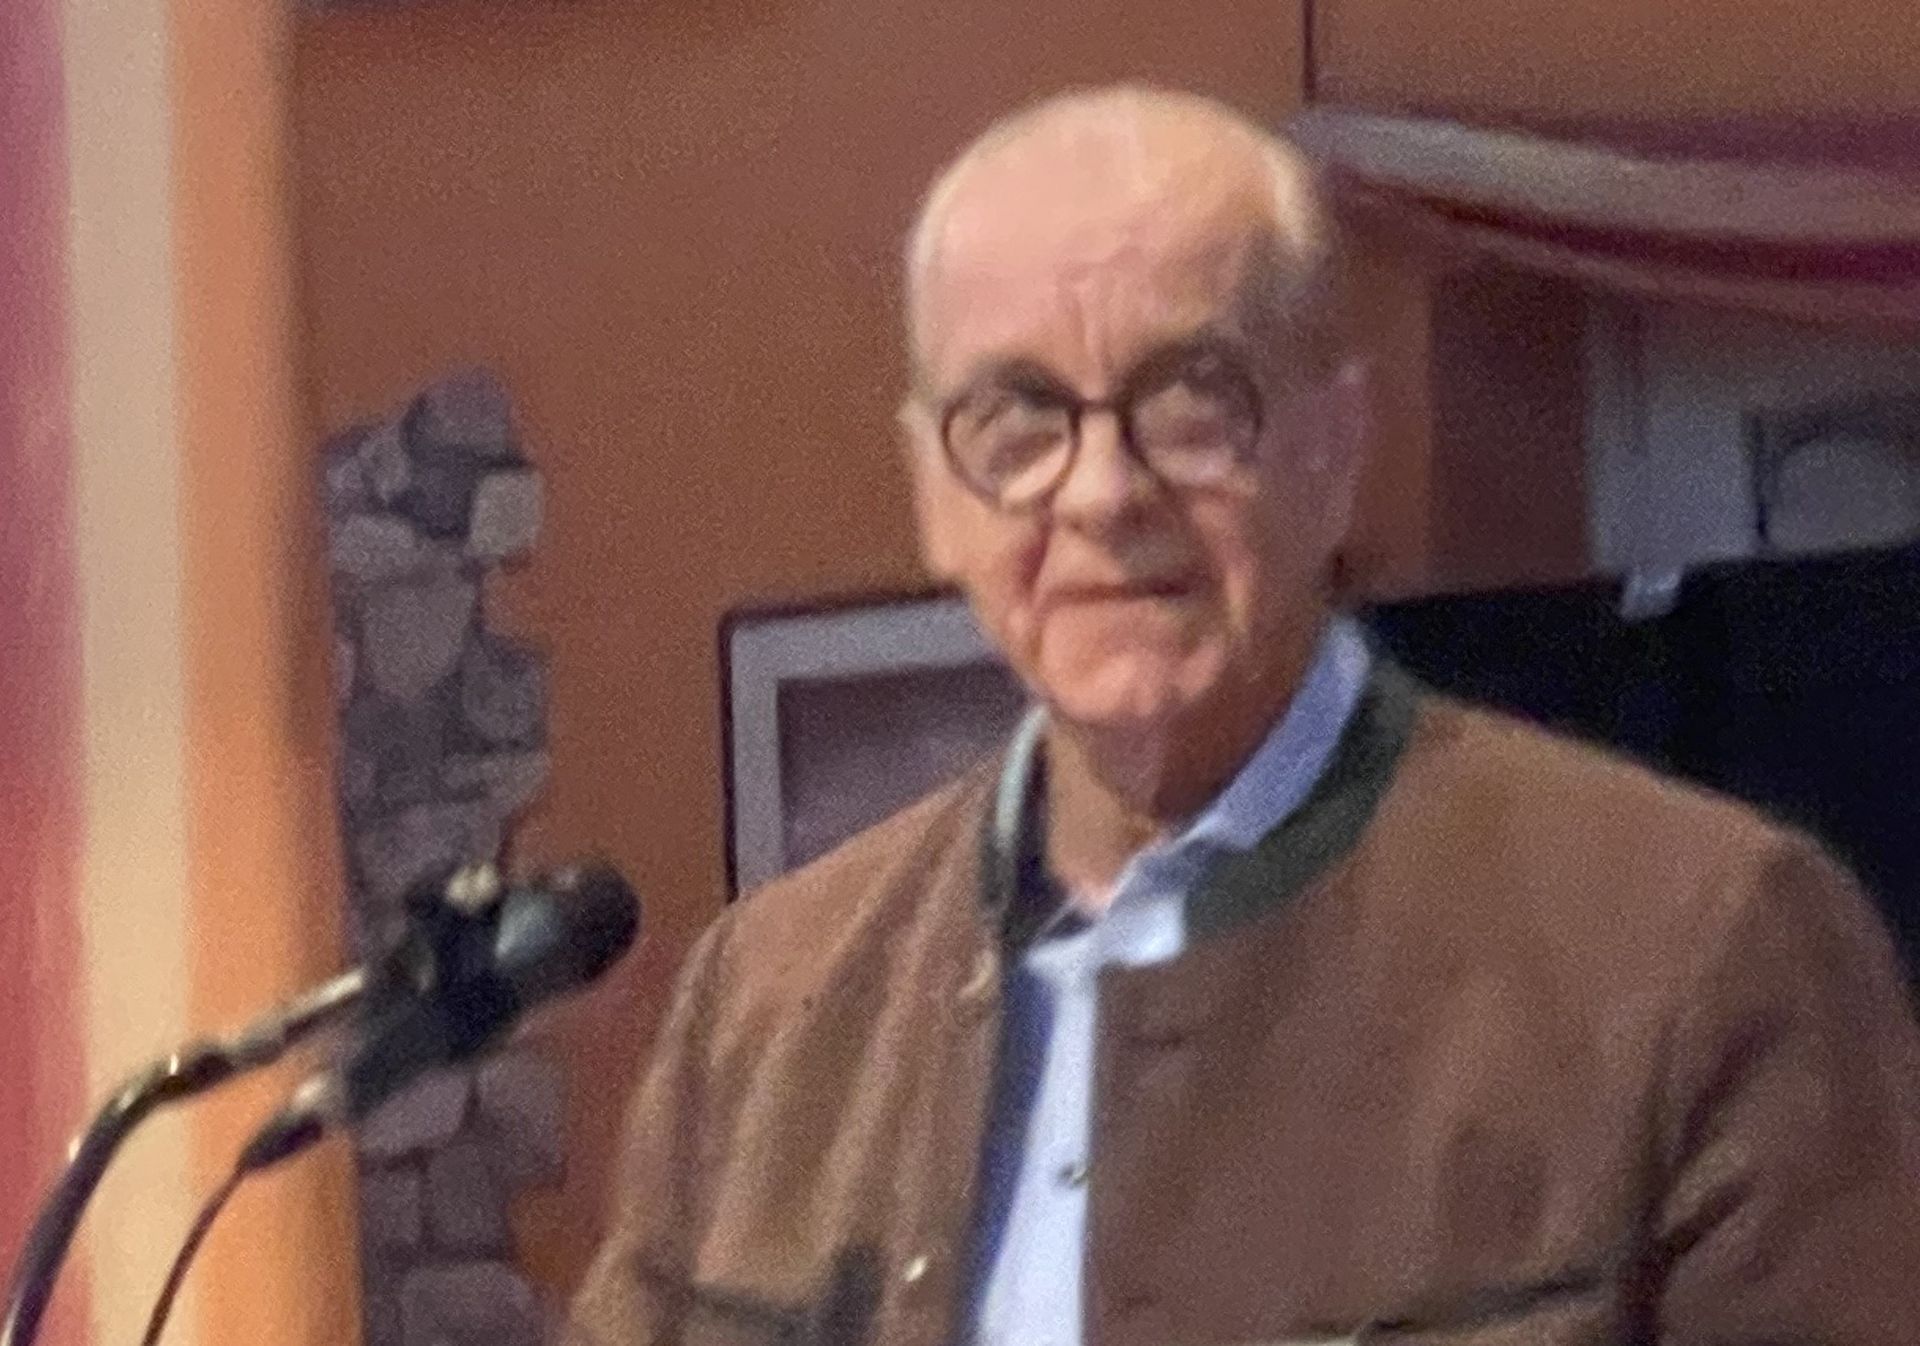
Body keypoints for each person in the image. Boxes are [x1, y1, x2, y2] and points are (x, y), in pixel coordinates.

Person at [570, 86, 1920, 1346]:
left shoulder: (1698, 949)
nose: (1102, 492)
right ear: (933, 493)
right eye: (1016, 422)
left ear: (1336, 446)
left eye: (1192, 401)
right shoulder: (763, 1009)